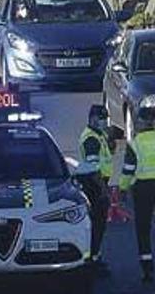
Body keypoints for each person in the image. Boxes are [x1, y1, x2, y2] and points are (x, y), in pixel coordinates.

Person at [77, 104, 114, 275]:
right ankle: (91, 260)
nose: (104, 122)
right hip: (94, 185)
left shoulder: (99, 135)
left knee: (99, 225)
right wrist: (103, 191)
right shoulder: (91, 139)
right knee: (96, 225)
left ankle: (95, 257)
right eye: (101, 119)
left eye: (105, 119)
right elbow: (93, 169)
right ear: (92, 119)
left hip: (98, 183)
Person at [120, 108, 155, 283]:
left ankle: (147, 268)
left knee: (143, 228)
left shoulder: (135, 143)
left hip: (143, 188)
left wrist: (122, 189)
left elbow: (128, 170)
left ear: (140, 122)